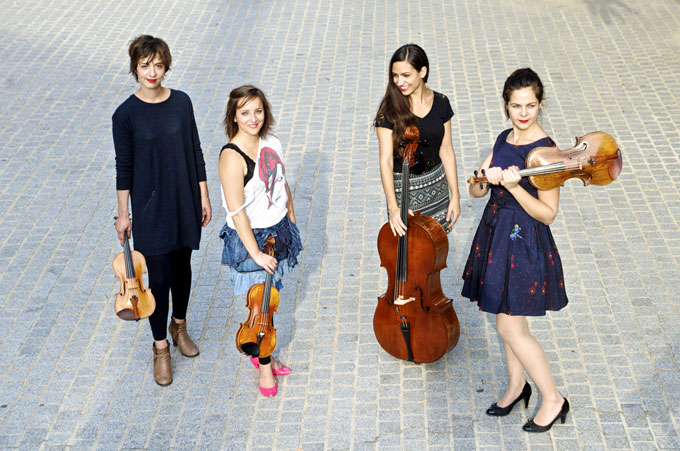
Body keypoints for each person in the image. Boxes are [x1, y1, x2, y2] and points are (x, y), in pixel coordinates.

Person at [462, 68, 570, 432]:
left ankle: (553, 398)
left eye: (531, 106)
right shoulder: (503, 138)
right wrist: (486, 177)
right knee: (505, 320)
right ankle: (516, 387)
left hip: (524, 242)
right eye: (516, 106)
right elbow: (476, 191)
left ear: (540, 104)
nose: (523, 114)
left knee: (510, 328)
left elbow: (548, 213)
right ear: (506, 106)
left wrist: (515, 186)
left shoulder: (547, 154)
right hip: (495, 235)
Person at [113, 35, 212, 386]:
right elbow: (123, 167)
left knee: (182, 268)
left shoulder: (182, 103)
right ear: (134, 68)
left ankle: (179, 326)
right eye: (144, 66)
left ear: (166, 66)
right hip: (150, 207)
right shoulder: (125, 115)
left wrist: (203, 194)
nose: (151, 72)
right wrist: (124, 215)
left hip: (183, 197)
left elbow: (195, 148)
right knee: (159, 279)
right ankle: (160, 349)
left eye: (158, 65)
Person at [218, 85, 302, 397]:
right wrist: (255, 254)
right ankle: (264, 365)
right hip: (251, 239)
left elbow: (281, 182)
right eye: (245, 113)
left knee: (271, 300)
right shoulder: (231, 156)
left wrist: (291, 217)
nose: (253, 118)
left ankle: (261, 354)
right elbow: (237, 212)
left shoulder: (272, 142)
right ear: (234, 117)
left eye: (258, 111)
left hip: (277, 231)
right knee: (260, 305)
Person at [375, 44, 461, 236]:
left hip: (437, 187)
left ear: (423, 71)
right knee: (409, 253)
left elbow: (446, 150)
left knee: (435, 257)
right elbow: (386, 161)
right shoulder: (388, 111)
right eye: (395, 75)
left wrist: (455, 196)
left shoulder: (441, 102)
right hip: (406, 191)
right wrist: (393, 206)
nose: (399, 81)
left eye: (406, 75)